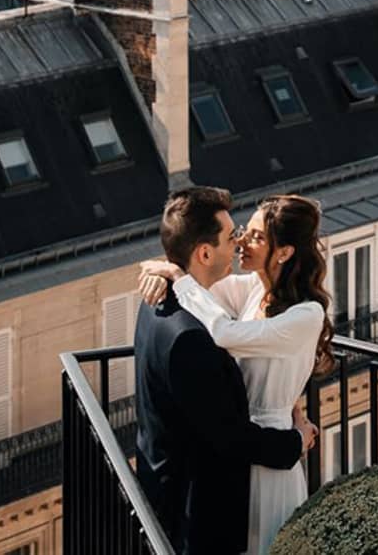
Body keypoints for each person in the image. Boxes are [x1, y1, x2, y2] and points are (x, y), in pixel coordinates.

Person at [139, 193, 333, 555]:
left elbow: (223, 331)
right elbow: (200, 277)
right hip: (242, 449)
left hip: (273, 451)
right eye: (244, 232)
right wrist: (163, 269)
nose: (242, 241)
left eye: (257, 236)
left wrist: (178, 277)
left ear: (285, 252)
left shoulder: (306, 315)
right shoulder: (254, 287)